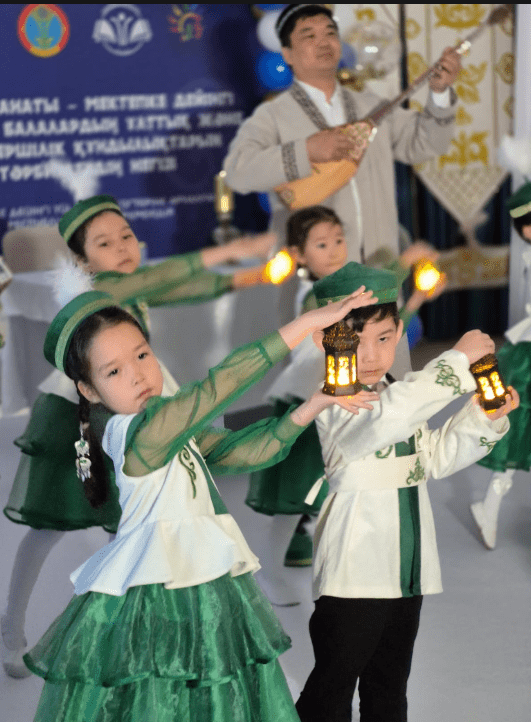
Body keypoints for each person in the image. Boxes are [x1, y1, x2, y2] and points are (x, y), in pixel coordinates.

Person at [22, 285, 377, 721]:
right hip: (157, 597)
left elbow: (250, 450)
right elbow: (216, 387)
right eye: (113, 372)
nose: (137, 375)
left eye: (142, 355)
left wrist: (317, 402)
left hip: (204, 581)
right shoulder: (142, 433)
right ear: (88, 390)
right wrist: (304, 325)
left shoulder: (166, 427)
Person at [0, 194, 285, 678]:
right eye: (104, 243)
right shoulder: (105, 288)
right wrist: (231, 252)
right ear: (83, 263)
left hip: (135, 409)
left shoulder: (131, 290)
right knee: (48, 526)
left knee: (134, 527)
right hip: (78, 416)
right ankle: (12, 625)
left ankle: (139, 637)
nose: (121, 247)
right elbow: (161, 278)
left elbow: (180, 289)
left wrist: (246, 278)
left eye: (127, 236)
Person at [293, 262, 518, 722]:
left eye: (383, 338)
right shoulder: (334, 399)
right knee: (331, 689)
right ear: (323, 341)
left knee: (390, 687)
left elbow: (431, 458)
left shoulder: (396, 391)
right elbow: (385, 420)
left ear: (399, 333)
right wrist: (455, 361)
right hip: (354, 571)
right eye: (353, 341)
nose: (370, 355)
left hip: (406, 569)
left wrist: (482, 417)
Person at [247, 205, 447, 605]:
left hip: (343, 399)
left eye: (338, 239)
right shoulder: (317, 298)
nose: (335, 249)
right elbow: (361, 314)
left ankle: (327, 561)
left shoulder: (339, 298)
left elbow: (384, 333)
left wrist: (415, 297)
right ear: (298, 254)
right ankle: (269, 572)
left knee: (332, 491)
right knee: (296, 496)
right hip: (312, 402)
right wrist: (402, 267)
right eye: (322, 244)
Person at [223, 4, 461, 264]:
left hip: (380, 270)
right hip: (316, 278)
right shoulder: (272, 115)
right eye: (309, 36)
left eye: (330, 33)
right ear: (288, 54)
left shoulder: (371, 105)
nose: (323, 42)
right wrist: (307, 150)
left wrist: (439, 94)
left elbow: (426, 144)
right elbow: (237, 172)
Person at [471, 181, 531, 548]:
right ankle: (489, 510)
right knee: (514, 433)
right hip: (527, 357)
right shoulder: (528, 259)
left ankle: (488, 510)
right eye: (526, 224)